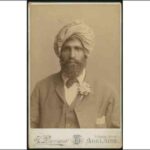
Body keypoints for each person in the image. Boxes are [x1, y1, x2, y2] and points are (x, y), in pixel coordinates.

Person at [30, 21, 120, 128]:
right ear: (59, 53)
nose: (72, 55)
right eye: (67, 49)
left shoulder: (107, 93)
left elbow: (116, 138)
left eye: (77, 49)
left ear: (85, 53)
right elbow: (29, 133)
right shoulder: (41, 89)